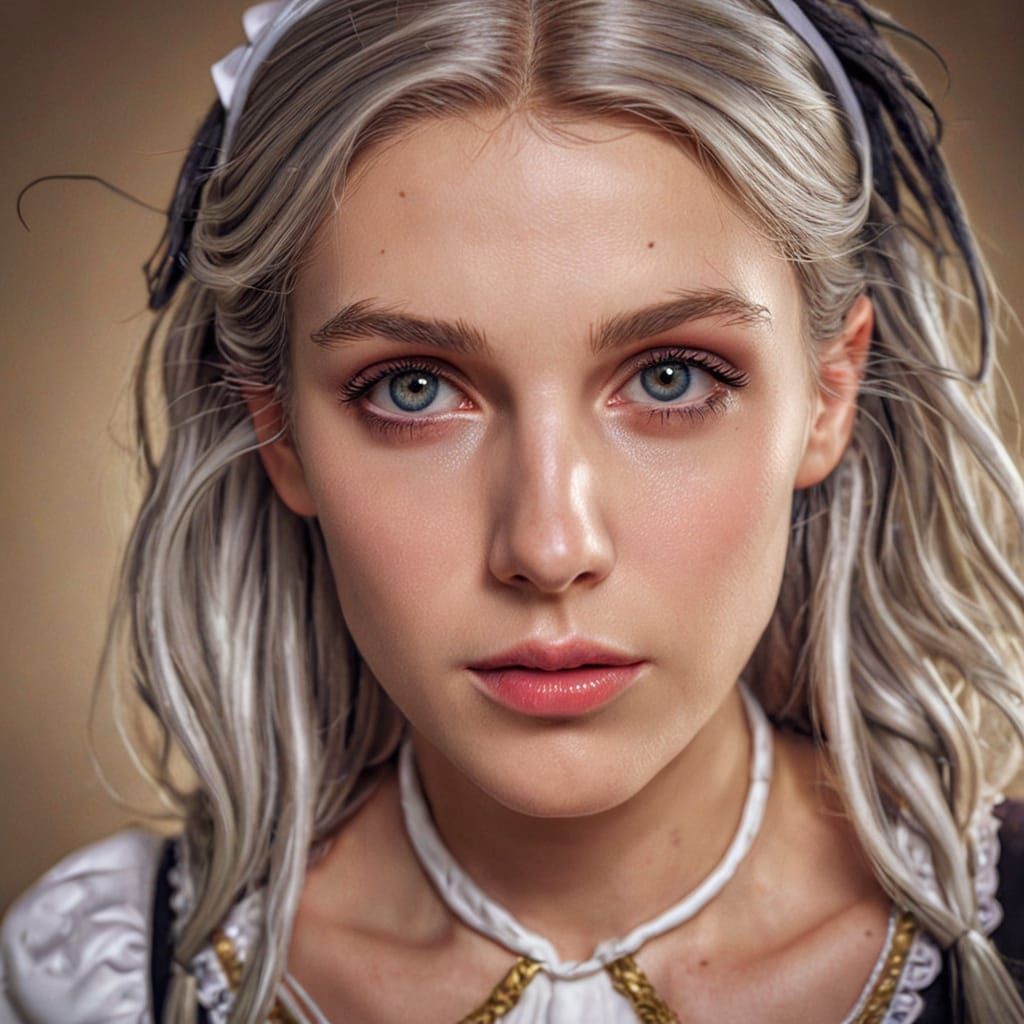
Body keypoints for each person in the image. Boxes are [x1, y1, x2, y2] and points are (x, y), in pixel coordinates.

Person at [2, 0, 1023, 1021]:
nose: (547, 546)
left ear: (829, 394)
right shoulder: (106, 979)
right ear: (277, 430)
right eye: (412, 388)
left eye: (670, 378)